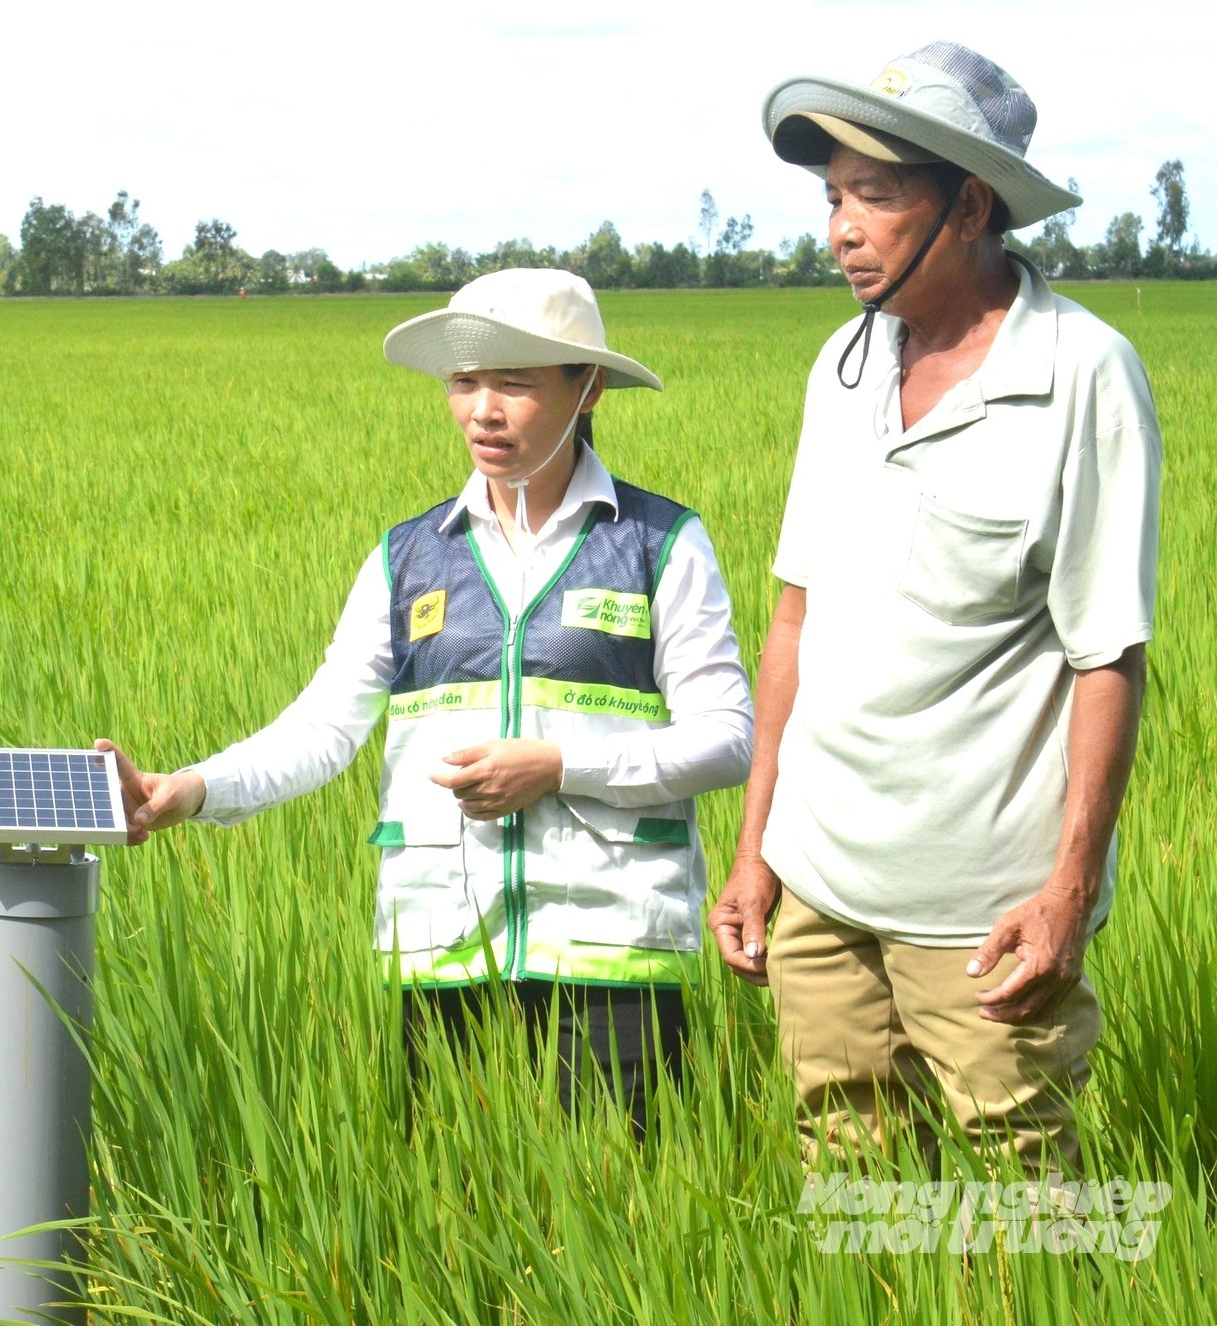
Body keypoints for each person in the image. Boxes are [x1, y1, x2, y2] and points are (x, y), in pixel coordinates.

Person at [99, 269, 753, 1131]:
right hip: (444, 942)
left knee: (621, 1216)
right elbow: (326, 724)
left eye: (515, 383)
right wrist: (190, 789)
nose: (483, 409)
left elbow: (726, 739)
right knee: (452, 1221)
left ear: (587, 387)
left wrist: (561, 766)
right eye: (464, 382)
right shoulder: (409, 557)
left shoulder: (658, 543)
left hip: (614, 951)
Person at [711, 42, 1162, 1173]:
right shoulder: (844, 362)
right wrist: (757, 849)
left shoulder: (1082, 375)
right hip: (819, 884)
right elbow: (794, 621)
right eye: (831, 198)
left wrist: (1068, 893)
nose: (841, 229)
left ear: (968, 205)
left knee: (1023, 1201)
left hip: (979, 907)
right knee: (848, 1168)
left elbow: (1106, 657)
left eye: (876, 195)